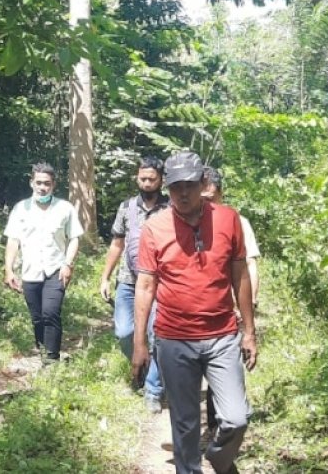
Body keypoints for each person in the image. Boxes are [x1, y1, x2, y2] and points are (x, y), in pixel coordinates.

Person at [131, 151, 257, 474]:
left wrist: (249, 331)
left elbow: (240, 274)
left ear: (202, 183)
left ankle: (219, 458)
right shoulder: (154, 228)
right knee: (185, 425)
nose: (182, 193)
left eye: (189, 185)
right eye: (175, 187)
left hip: (222, 336)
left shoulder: (228, 219)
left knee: (236, 418)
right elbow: (145, 286)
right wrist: (139, 343)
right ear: (167, 188)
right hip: (174, 339)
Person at [99, 156, 170, 413]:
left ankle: (153, 389)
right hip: (128, 281)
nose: (147, 183)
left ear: (161, 180)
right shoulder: (126, 207)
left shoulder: (171, 209)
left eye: (152, 179)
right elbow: (117, 243)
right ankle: (140, 363)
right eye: (143, 178)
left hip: (160, 283)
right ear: (137, 178)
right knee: (124, 332)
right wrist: (105, 276)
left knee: (156, 335)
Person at [3, 162, 84, 363]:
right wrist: (9, 270)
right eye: (38, 183)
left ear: (53, 185)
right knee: (37, 316)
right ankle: (42, 349)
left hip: (55, 269)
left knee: (50, 312)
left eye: (47, 183)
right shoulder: (21, 209)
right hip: (30, 271)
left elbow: (74, 237)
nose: (42, 187)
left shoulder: (65, 208)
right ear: (32, 183)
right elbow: (13, 240)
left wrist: (68, 264)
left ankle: (52, 358)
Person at [202, 166, 261, 435]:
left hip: (229, 308)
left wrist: (250, 304)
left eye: (210, 196)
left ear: (221, 193)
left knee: (224, 369)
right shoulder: (184, 222)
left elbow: (249, 266)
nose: (205, 202)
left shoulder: (237, 222)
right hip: (197, 312)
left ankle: (221, 425)